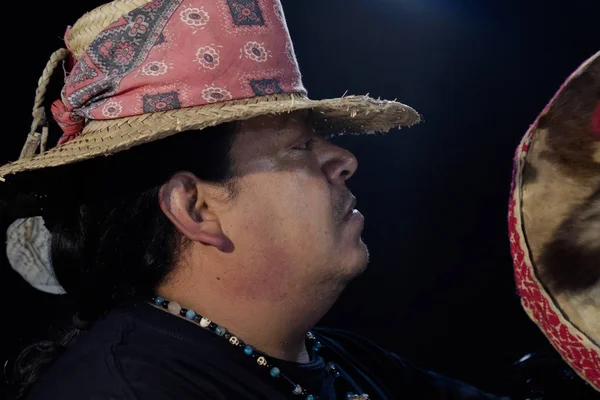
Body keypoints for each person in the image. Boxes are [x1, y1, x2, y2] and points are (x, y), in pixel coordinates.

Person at [1, 0, 511, 399]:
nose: (343, 161)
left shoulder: (343, 360)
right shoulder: (123, 390)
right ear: (195, 208)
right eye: (298, 147)